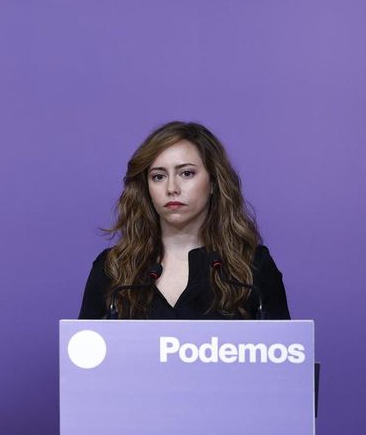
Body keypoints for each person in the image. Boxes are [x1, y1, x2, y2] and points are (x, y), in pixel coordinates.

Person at [79, 121, 290, 320]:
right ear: (146, 188)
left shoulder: (253, 267)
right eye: (158, 176)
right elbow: (85, 346)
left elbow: (281, 346)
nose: (172, 188)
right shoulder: (112, 268)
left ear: (213, 182)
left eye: (186, 173)